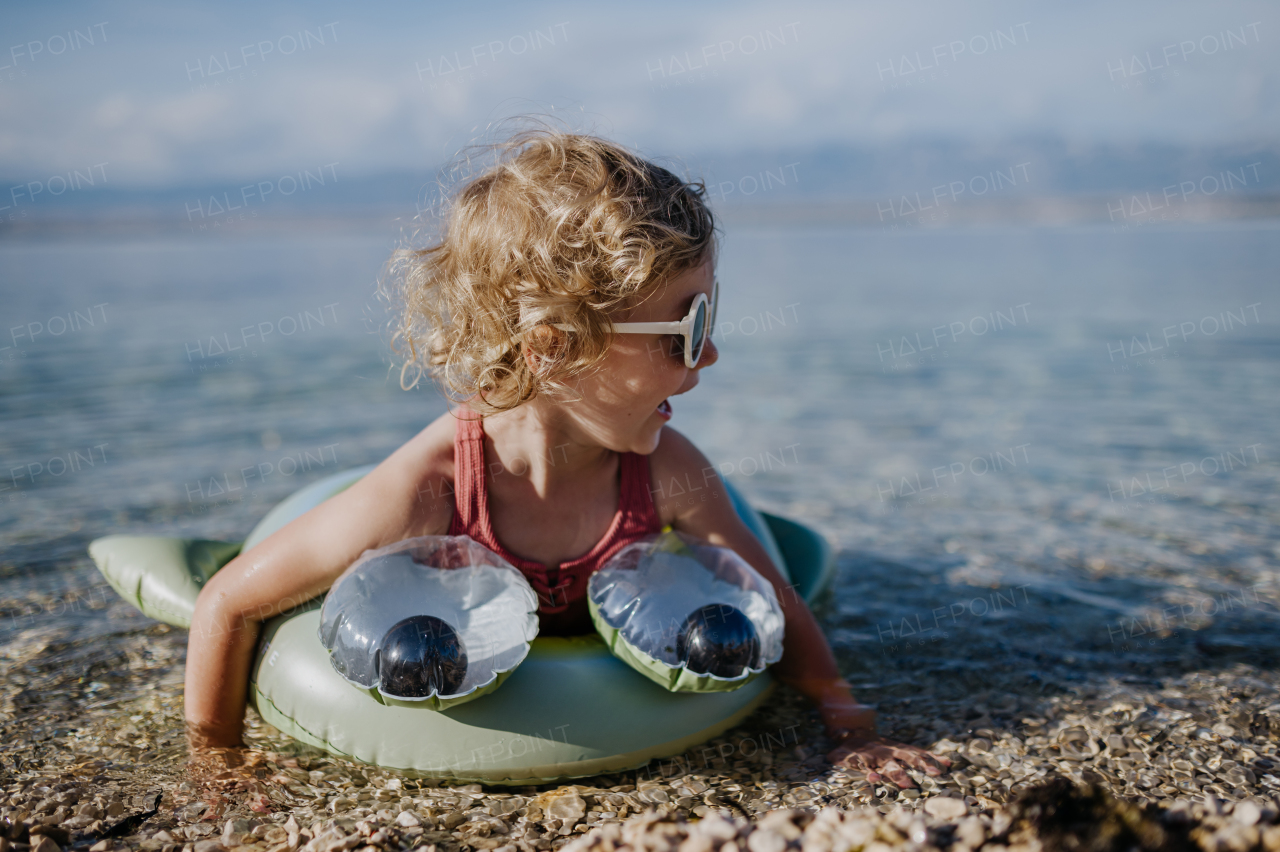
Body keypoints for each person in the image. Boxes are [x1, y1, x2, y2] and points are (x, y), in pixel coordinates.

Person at [184, 125, 949, 789]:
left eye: (712, 315)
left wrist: (850, 726)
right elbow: (228, 603)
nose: (711, 353)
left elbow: (775, 598)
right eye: (686, 329)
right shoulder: (426, 492)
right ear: (556, 346)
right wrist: (214, 763)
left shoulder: (669, 469)